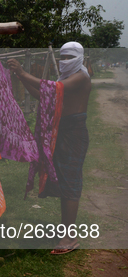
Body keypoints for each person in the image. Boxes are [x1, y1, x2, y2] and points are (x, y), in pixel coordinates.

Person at [7, 42, 91, 255]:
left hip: (73, 133)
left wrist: (23, 73)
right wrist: (21, 78)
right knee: (63, 179)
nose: (64, 61)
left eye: (69, 57)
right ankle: (66, 230)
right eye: (62, 57)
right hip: (60, 130)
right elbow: (43, 96)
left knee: (71, 180)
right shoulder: (65, 78)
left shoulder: (81, 77)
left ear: (79, 57)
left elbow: (54, 89)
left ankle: (70, 237)